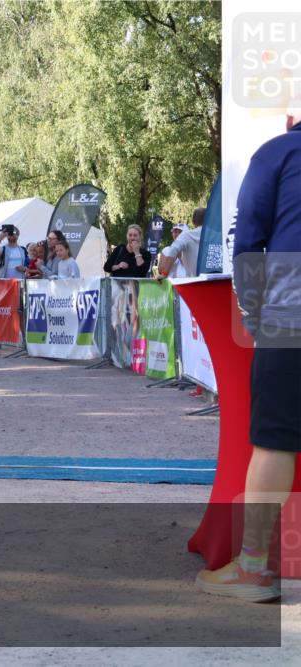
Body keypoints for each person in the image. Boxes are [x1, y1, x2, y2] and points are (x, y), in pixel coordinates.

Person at [195, 108, 301, 602]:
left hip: (291, 307)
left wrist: (257, 317)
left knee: (275, 440)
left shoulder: (276, 152)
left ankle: (254, 570)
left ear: (291, 117)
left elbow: (248, 243)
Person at [158, 208, 204, 278]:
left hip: (192, 281)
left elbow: (173, 250)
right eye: (175, 232)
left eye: (180, 232)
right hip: (212, 281)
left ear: (193, 222)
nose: (177, 234)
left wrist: (164, 274)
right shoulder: (217, 235)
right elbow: (160, 269)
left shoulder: (187, 235)